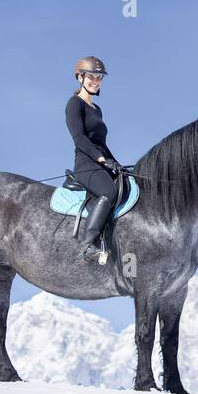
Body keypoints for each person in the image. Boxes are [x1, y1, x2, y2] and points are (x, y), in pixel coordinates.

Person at [65, 56, 122, 263]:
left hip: (100, 161)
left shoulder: (97, 110)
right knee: (108, 192)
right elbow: (79, 138)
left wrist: (115, 163)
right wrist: (100, 159)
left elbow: (102, 144)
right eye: (91, 76)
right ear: (80, 77)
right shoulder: (74, 104)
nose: (96, 81)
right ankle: (87, 245)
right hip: (86, 164)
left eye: (99, 77)